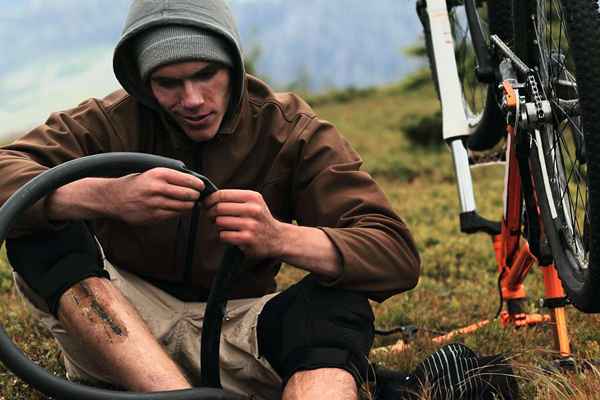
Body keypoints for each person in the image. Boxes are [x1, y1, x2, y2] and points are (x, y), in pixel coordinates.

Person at [0, 1, 420, 399]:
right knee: (39, 227)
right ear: (144, 83)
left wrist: (278, 238)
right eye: (169, 83)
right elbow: (9, 168)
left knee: (337, 305)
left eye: (206, 74)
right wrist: (105, 196)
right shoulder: (108, 121)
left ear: (233, 67)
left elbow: (395, 255)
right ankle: (172, 394)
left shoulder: (292, 131)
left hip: (239, 333)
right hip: (118, 328)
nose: (194, 100)